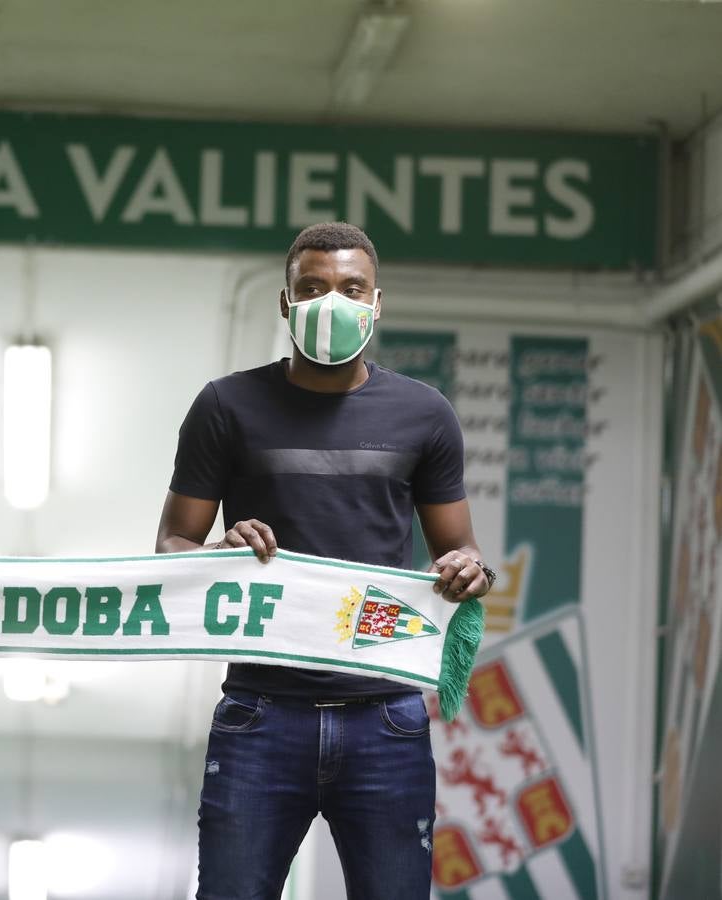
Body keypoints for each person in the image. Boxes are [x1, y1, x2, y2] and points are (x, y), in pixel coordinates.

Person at [155, 222, 494, 899]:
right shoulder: (226, 406)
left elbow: (463, 554)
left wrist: (468, 572)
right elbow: (172, 544)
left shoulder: (424, 415)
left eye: (350, 288)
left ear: (376, 303)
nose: (330, 302)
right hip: (259, 712)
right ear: (285, 303)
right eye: (311, 288)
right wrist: (218, 550)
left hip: (387, 714)